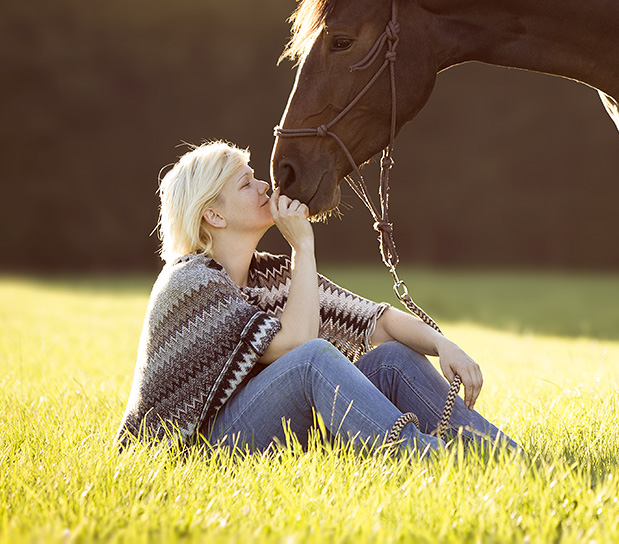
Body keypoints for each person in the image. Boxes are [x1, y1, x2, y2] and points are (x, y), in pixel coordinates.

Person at [116, 140, 518, 457]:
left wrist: (444, 345)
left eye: (256, 177)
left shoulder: (269, 273)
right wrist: (303, 249)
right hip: (193, 448)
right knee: (314, 359)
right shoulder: (189, 282)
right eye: (246, 184)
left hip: (259, 426)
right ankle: (433, 460)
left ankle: (503, 457)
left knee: (393, 357)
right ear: (214, 216)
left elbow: (376, 321)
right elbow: (298, 348)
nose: (265, 187)